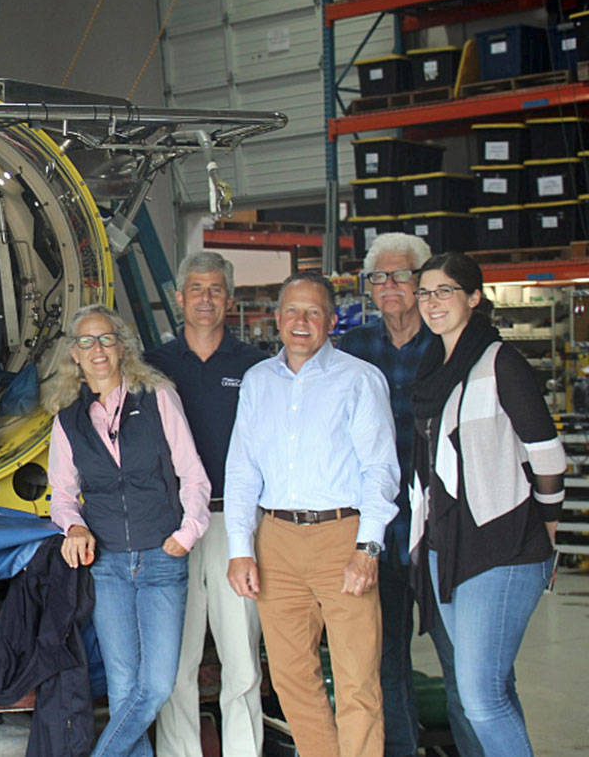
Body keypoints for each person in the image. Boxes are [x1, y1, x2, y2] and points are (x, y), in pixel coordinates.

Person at [225, 271, 399, 757]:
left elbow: (380, 469)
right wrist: (241, 550)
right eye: (293, 312)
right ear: (277, 319)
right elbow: (242, 470)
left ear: (331, 321)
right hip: (275, 538)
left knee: (356, 679)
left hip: (341, 536)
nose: (301, 322)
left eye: (313, 312)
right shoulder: (259, 382)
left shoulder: (360, 379)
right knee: (290, 678)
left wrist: (367, 547)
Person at [409, 252, 565, 757]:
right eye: (425, 293)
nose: (433, 303)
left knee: (480, 700)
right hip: (445, 549)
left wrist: (550, 522)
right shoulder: (434, 367)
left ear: (474, 298)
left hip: (500, 547)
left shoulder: (501, 363)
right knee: (493, 689)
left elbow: (547, 454)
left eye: (445, 291)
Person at [337, 233, 481, 757]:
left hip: (443, 528)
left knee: (462, 658)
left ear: (423, 283)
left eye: (401, 276)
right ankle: (401, 748)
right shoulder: (353, 351)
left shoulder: (454, 345)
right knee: (383, 657)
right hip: (376, 530)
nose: (390, 286)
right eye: (379, 277)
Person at [47, 303, 211, 757]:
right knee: (123, 689)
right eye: (86, 341)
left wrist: (189, 531)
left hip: (162, 557)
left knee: (156, 685)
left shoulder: (158, 397)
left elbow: (192, 475)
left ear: (121, 347)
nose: (97, 349)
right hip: (108, 565)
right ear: (74, 355)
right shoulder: (67, 420)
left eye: (105, 339)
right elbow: (61, 496)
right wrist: (74, 528)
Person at [145, 251, 266, 757]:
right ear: (179, 298)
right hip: (172, 529)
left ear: (230, 299)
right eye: (196, 288)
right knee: (176, 661)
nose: (205, 298)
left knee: (242, 659)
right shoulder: (152, 366)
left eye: (215, 289)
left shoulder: (256, 365)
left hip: (235, 525)